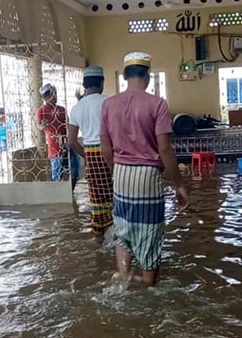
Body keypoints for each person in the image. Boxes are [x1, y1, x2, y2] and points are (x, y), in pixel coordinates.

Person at [100, 52, 189, 287]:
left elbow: (105, 147)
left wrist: (115, 170)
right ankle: (149, 288)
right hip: (148, 175)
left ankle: (123, 280)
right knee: (149, 230)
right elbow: (165, 149)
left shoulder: (108, 105)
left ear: (126, 76)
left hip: (120, 173)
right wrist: (178, 185)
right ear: (147, 76)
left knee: (123, 229)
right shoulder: (157, 104)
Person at [68, 66, 112, 238]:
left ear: (84, 85)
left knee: (96, 195)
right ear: (101, 83)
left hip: (91, 154)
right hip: (112, 150)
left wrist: (88, 155)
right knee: (115, 191)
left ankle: (99, 234)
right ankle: (116, 234)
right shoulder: (109, 102)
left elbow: (71, 141)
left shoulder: (77, 108)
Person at [36, 84, 79, 186]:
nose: (56, 96)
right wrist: (43, 125)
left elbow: (68, 124)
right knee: (57, 171)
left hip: (67, 142)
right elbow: (39, 125)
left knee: (74, 169)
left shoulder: (61, 109)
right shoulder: (41, 111)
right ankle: (57, 191)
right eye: (54, 94)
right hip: (54, 145)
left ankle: (69, 191)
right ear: (49, 95)